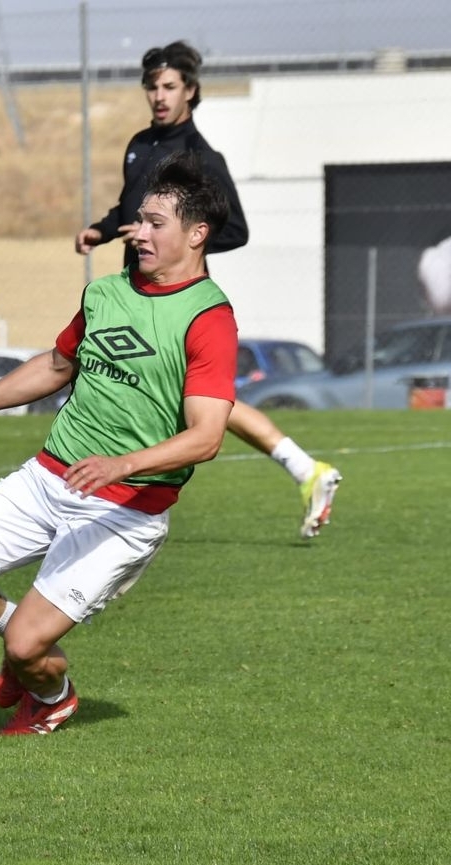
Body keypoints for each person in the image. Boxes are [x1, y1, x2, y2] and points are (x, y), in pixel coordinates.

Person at [0, 152, 237, 735]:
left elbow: (206, 438)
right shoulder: (106, 293)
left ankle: (52, 693)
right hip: (48, 476)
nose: (138, 233)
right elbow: (58, 365)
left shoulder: (208, 318)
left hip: (125, 510)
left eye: (155, 223)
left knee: (31, 643)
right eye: (138, 220)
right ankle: (21, 646)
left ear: (197, 233)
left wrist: (123, 464)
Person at [74, 39, 340, 539]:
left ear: (190, 92)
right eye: (152, 86)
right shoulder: (139, 144)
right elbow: (129, 206)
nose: (159, 95)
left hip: (177, 297)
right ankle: (306, 469)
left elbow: (235, 229)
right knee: (193, 397)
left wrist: (180, 242)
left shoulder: (201, 158)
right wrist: (103, 229)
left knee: (196, 400)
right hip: (136, 290)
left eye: (169, 86)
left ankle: (304, 469)